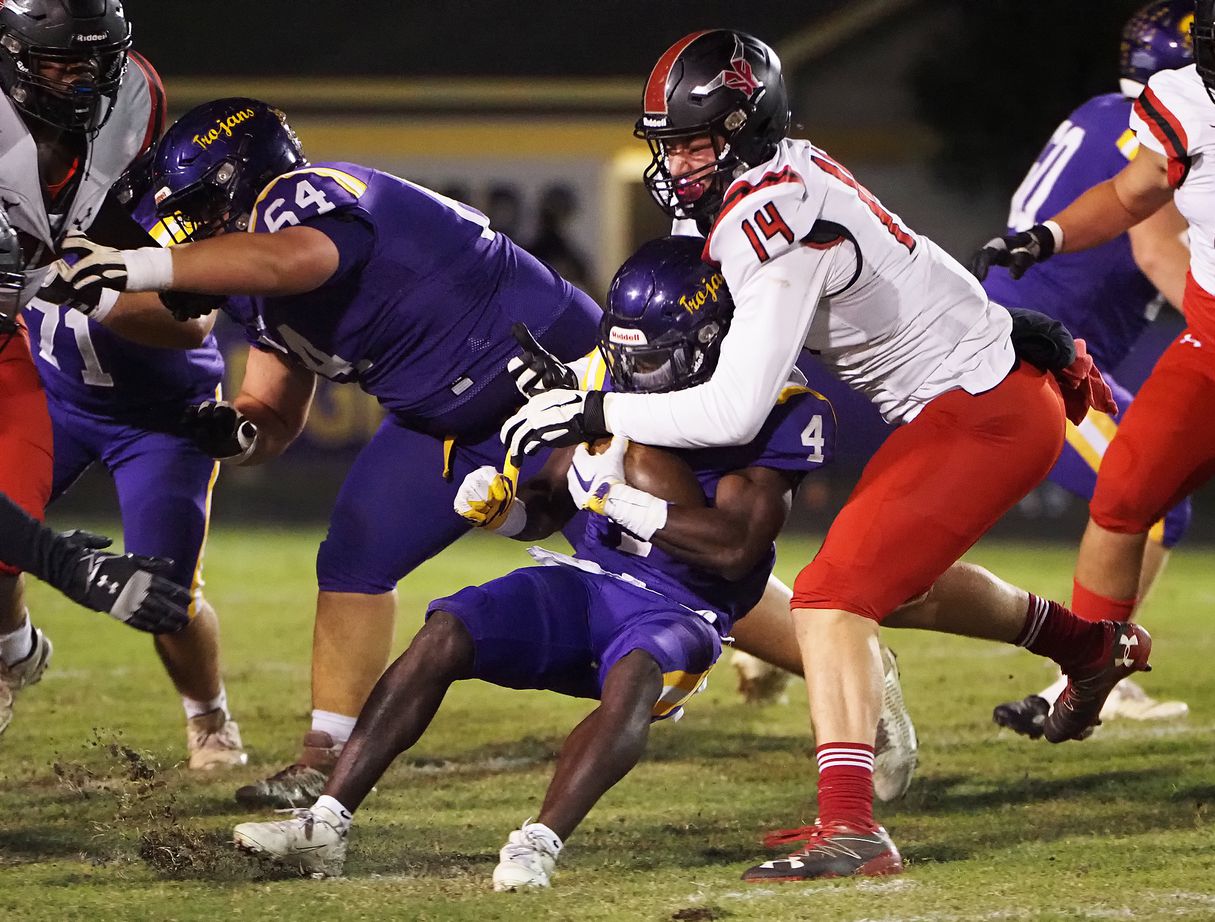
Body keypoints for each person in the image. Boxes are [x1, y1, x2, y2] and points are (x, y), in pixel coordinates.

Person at [61, 97, 922, 807]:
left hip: (558, 374)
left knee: (659, 557)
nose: (188, 233)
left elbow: (293, 258)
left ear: (244, 187)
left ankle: (847, 663)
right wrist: (241, 433)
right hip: (440, 419)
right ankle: (324, 756)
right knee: (356, 551)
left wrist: (143, 270)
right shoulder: (244, 272)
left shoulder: (305, 200)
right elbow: (274, 406)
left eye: (202, 212)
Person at [498, 29, 1149, 881]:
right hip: (980, 393)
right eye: (671, 144)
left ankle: (850, 827)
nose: (680, 163)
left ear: (746, 126)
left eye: (697, 141)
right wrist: (1016, 328)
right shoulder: (782, 173)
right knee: (890, 587)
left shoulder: (769, 214)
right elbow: (903, 256)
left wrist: (595, 405)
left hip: (984, 409)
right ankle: (1090, 649)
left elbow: (733, 405)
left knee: (832, 598)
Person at [228, 235, 837, 884]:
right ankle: (326, 823)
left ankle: (537, 843)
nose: (630, 375)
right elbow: (551, 504)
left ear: (711, 343)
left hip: (682, 607)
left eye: (652, 360)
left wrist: (614, 495)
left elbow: (734, 548)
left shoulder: (780, 408)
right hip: (588, 581)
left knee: (633, 678)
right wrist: (510, 514)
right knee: (446, 632)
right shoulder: (605, 372)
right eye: (622, 353)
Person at [972, 0, 1215, 756]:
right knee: (1132, 501)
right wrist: (1050, 238)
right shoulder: (1174, 106)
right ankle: (1084, 675)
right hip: (1158, 349)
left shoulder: (1113, 105)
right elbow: (1140, 215)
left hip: (1062, 342)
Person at [981, 0, 1196, 738]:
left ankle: (1094, 669)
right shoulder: (1154, 128)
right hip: (1039, 348)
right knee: (1154, 500)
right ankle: (1089, 674)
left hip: (1024, 335)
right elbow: (1158, 250)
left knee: (1156, 500)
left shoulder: (1105, 109)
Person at [22, 165, 243, 768]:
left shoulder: (157, 200)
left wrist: (89, 287)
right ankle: (12, 650)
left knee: (163, 597)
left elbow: (190, 318)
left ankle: (208, 713)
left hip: (162, 420)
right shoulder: (15, 194)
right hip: (52, 401)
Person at [0, 0, 180, 729]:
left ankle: (10, 642)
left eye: (90, 62)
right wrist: (67, 565)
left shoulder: (134, 98)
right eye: (56, 62)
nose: (78, 82)